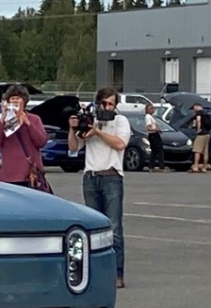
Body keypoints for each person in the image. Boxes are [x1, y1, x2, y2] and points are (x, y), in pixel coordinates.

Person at [68, 87, 131, 288]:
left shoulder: (120, 121)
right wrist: (73, 128)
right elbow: (74, 147)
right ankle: (94, 274)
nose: (106, 107)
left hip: (111, 176)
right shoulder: (91, 119)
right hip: (91, 176)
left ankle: (117, 274)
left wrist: (97, 132)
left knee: (113, 228)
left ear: (115, 105)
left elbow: (120, 144)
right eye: (103, 103)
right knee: (92, 228)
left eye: (110, 103)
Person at [0, 85, 48, 189]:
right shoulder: (2, 119)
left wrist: (28, 123)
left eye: (18, 98)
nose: (15, 101)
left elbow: (41, 142)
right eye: (12, 98)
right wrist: (2, 120)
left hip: (28, 174)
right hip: (6, 175)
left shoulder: (34, 119)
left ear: (24, 101)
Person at [184, 103, 211, 172]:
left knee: (197, 150)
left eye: (194, 108)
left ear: (196, 106)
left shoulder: (199, 113)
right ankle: (204, 167)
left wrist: (198, 129)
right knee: (205, 152)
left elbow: (198, 120)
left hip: (201, 134)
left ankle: (196, 166)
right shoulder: (206, 113)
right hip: (207, 134)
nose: (194, 110)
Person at [143, 101, 165, 172]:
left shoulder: (151, 117)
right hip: (153, 134)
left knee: (155, 151)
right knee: (158, 150)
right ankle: (160, 167)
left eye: (153, 108)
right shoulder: (148, 117)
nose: (153, 110)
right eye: (151, 108)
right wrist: (156, 129)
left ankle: (152, 166)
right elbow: (148, 127)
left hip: (155, 134)